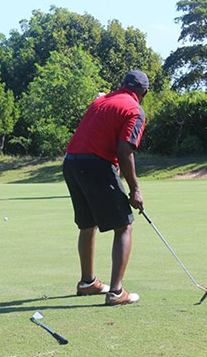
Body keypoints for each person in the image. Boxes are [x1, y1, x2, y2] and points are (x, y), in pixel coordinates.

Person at [62, 70, 148, 306]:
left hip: (71, 162)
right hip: (95, 164)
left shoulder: (101, 100)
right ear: (144, 93)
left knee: (87, 224)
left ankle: (88, 282)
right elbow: (125, 150)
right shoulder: (134, 109)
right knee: (124, 226)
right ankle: (116, 292)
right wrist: (135, 189)